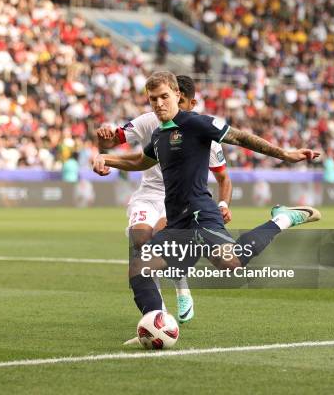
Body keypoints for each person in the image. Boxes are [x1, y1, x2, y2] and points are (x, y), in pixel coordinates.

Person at [93, 71, 320, 338]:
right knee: (139, 268)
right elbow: (139, 163)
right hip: (177, 220)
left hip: (201, 212)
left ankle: (283, 218)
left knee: (231, 263)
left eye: (164, 97)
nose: (159, 104)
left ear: (178, 95)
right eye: (153, 99)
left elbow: (241, 137)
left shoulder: (196, 123)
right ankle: (156, 324)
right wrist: (105, 159)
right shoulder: (157, 135)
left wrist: (284, 153)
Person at [96, 75, 233, 324]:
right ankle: (157, 313)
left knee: (159, 244)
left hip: (179, 200)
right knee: (139, 238)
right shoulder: (151, 121)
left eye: (185, 106)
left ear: (188, 102)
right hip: (148, 193)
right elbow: (114, 140)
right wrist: (104, 140)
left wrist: (223, 204)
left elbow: (224, 178)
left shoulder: (202, 132)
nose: (179, 110)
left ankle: (180, 286)